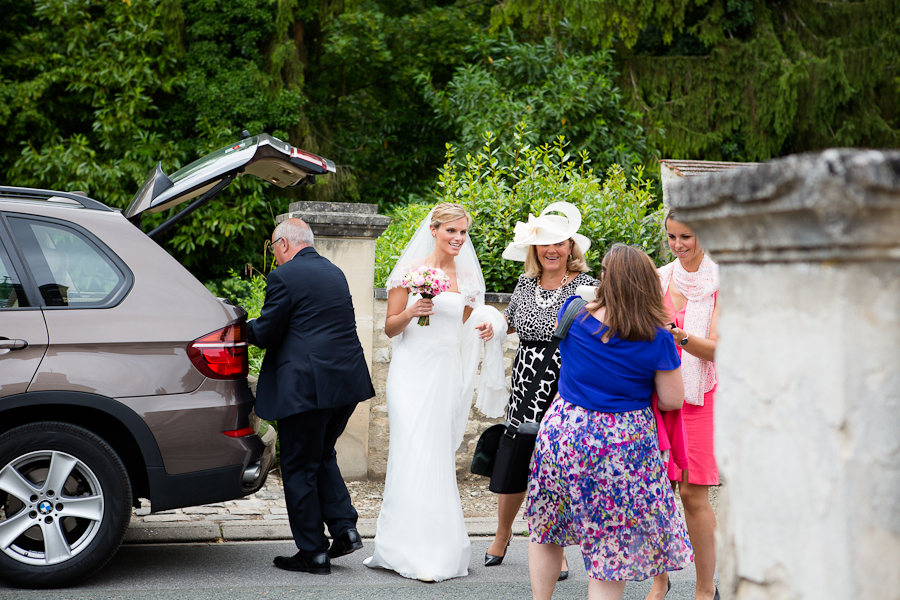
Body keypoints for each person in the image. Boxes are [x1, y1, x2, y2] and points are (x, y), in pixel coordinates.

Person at [527, 244, 693, 600]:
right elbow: (671, 399)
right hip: (621, 443)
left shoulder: (571, 313)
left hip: (563, 432)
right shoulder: (659, 337)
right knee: (611, 547)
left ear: (605, 278)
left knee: (547, 530)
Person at [364, 203, 507, 582]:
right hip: (410, 373)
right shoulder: (411, 272)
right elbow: (390, 328)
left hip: (444, 373)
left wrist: (488, 327)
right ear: (434, 229)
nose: (458, 239)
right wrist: (412, 311)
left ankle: (438, 548)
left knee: (437, 455)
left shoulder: (467, 277)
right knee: (411, 451)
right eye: (451, 232)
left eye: (463, 233)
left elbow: (468, 323)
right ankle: (400, 547)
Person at [247, 218, 375, 575]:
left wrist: (241, 328)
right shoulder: (335, 272)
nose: (274, 256)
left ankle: (312, 551)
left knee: (299, 466)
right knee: (321, 456)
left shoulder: (283, 277)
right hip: (346, 385)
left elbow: (269, 331)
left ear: (285, 244)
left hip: (307, 389)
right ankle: (345, 530)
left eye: (273, 248)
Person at [483, 202, 599, 579]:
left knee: (557, 467)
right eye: (544, 244)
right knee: (517, 459)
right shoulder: (525, 284)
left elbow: (605, 333)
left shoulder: (589, 286)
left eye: (560, 243)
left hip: (568, 383)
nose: (552, 250)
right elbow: (512, 322)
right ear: (534, 250)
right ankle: (502, 535)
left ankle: (557, 549)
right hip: (525, 383)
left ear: (571, 248)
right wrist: (492, 325)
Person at [645, 210, 720, 600]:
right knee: (659, 491)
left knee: (692, 495)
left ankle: (706, 588)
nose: (678, 245)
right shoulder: (659, 277)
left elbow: (721, 349)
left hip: (701, 397)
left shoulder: (723, 282)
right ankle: (661, 579)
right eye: (672, 237)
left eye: (686, 237)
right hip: (660, 397)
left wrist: (679, 337)